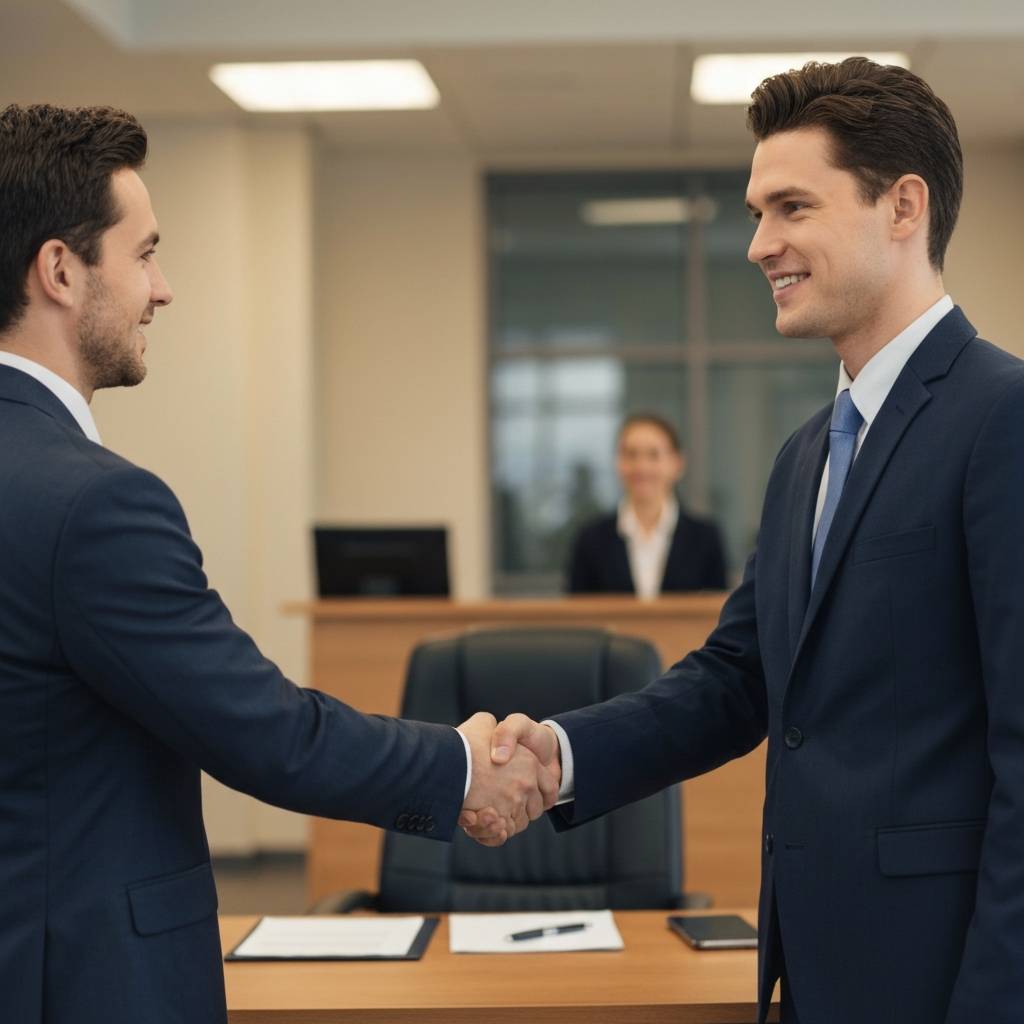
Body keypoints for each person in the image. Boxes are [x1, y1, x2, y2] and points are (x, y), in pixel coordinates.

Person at [465, 58, 1024, 1023]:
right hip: (808, 970)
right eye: (758, 212)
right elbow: (736, 680)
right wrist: (557, 756)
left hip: (939, 977)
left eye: (792, 208)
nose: (760, 243)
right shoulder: (806, 453)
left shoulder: (1003, 419)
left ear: (903, 206)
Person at [0, 104, 543, 1024]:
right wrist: (461, 768)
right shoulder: (92, 504)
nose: (163, 289)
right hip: (81, 980)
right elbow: (267, 734)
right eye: (145, 254)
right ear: (60, 269)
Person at [567, 413, 727, 595]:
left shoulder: (704, 538)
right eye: (631, 455)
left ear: (678, 463)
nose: (642, 467)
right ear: (618, 463)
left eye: (654, 455)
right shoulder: (591, 539)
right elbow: (577, 616)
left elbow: (717, 613)